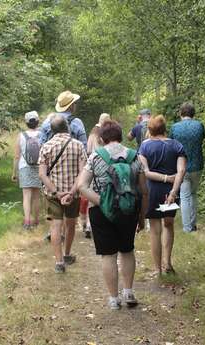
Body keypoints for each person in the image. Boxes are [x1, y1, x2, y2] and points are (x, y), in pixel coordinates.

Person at [78, 120, 148, 310]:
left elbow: (81, 186)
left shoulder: (95, 157)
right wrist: (142, 218)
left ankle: (113, 299)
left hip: (102, 212)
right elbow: (143, 190)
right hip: (128, 209)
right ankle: (129, 292)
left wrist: (101, 201)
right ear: (120, 136)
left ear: (102, 139)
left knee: (108, 255)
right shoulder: (135, 157)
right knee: (127, 250)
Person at [138, 115, 186, 276]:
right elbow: (181, 171)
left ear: (150, 130)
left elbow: (146, 173)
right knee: (169, 224)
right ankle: (168, 263)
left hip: (152, 191)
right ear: (165, 128)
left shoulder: (144, 147)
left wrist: (163, 178)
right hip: (170, 192)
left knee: (155, 230)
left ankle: (157, 269)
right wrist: (173, 190)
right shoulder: (177, 146)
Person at [38, 115, 87, 273]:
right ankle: (67, 254)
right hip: (73, 194)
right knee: (71, 224)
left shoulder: (46, 147)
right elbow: (83, 173)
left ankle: (59, 263)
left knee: (55, 226)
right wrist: (72, 192)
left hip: (53, 195)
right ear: (67, 127)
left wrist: (56, 192)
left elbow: (42, 175)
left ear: (52, 130)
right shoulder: (78, 145)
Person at [39, 91, 87, 241]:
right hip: (73, 167)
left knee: (52, 197)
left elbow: (42, 145)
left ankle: (55, 228)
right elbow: (84, 148)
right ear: (71, 106)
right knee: (70, 199)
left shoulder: (48, 122)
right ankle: (66, 230)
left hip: (52, 168)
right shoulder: (77, 123)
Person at [169, 102, 205, 233]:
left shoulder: (174, 127)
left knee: (184, 196)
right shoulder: (199, 126)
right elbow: (202, 139)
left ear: (181, 114)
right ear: (193, 113)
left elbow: (171, 144)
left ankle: (187, 227)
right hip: (197, 165)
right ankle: (193, 224)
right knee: (193, 194)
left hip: (181, 166)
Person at [79, 113, 112, 238]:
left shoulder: (93, 132)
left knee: (91, 196)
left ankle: (88, 225)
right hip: (107, 167)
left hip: (93, 166)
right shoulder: (110, 133)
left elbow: (87, 149)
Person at [12, 111, 41, 230]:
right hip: (39, 167)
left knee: (26, 196)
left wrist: (14, 173)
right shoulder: (42, 135)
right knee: (37, 196)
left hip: (25, 167)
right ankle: (36, 221)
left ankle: (27, 222)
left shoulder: (21, 136)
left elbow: (17, 156)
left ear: (26, 123)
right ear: (38, 121)